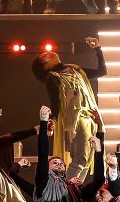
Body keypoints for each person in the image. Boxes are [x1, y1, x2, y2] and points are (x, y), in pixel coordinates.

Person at [32, 37, 107, 181]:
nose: (49, 53)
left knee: (88, 159)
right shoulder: (53, 78)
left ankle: (76, 192)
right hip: (75, 119)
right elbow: (55, 103)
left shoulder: (76, 70)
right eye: (44, 57)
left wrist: (97, 49)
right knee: (81, 158)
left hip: (90, 118)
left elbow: (101, 71)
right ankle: (65, 191)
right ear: (45, 67)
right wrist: (52, 121)